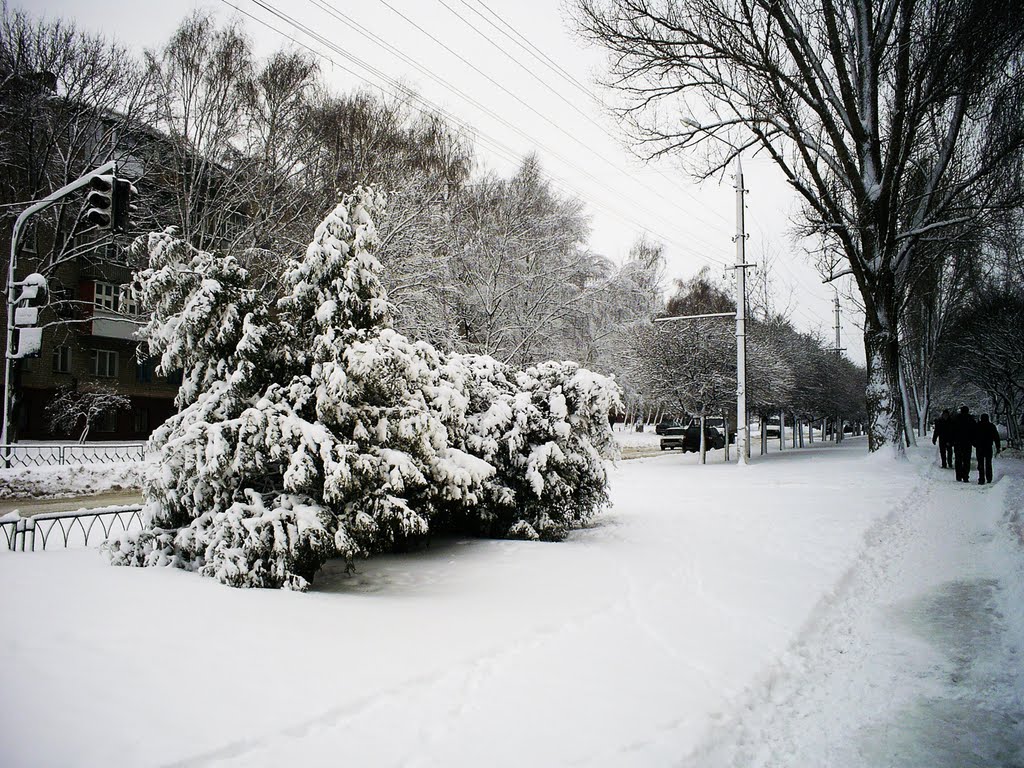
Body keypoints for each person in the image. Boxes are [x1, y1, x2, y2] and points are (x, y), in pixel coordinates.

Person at [950, 404, 976, 483]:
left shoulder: (955, 419)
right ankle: (965, 476)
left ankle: (958, 475)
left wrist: (952, 441)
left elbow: (951, 430)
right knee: (966, 460)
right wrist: (974, 441)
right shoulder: (971, 419)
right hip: (967, 443)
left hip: (957, 442)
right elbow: (974, 431)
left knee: (958, 459)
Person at [973, 413, 1002, 485]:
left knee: (980, 463)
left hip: (979, 447)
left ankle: (981, 478)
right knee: (988, 463)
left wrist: (975, 444)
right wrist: (998, 446)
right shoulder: (991, 426)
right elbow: (996, 437)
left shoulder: (977, 426)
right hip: (988, 447)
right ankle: (989, 477)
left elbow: (973, 436)